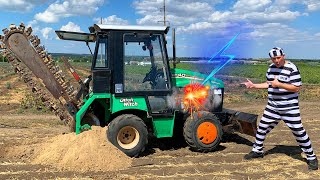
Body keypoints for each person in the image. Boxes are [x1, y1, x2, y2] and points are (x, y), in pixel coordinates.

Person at [241, 47, 318, 170]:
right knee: (262, 127)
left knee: (299, 131)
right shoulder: (271, 68)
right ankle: (257, 150)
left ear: (283, 56)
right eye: (273, 58)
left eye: (278, 57)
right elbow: (269, 84)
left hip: (290, 108)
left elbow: (296, 88)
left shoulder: (292, 68)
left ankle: (311, 157)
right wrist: (254, 85)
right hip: (273, 106)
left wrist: (279, 84)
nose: (276, 60)